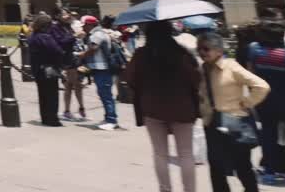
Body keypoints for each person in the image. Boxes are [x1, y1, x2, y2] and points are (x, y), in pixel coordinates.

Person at [123, 21, 201, 192]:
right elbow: (196, 80)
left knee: (160, 154)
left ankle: (165, 189)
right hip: (182, 107)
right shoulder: (182, 54)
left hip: (152, 107)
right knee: (186, 154)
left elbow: (130, 78)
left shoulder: (141, 54)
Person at [198, 30, 269, 192]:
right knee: (216, 168)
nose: (202, 52)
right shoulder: (203, 69)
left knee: (242, 167)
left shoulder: (231, 67)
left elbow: (262, 86)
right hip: (212, 124)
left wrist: (247, 102)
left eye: (206, 48)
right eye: (199, 49)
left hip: (235, 125)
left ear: (219, 50)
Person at [247, 22, 285, 186]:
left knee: (268, 136)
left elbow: (250, 75)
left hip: (264, 102)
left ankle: (269, 171)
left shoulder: (254, 49)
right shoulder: (284, 54)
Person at [82, 15, 123, 130]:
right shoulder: (99, 33)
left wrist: (82, 55)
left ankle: (112, 120)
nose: (84, 28)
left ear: (90, 25)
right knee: (104, 94)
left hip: (103, 68)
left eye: (85, 25)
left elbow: (93, 49)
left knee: (106, 94)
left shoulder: (97, 34)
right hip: (100, 68)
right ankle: (108, 117)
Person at [28, 13, 64, 127]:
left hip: (38, 68)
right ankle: (52, 119)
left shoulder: (33, 36)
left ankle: (45, 117)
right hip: (49, 68)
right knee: (52, 95)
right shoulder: (45, 37)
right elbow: (57, 51)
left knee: (42, 95)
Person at [54, 10, 87, 122]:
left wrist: (79, 36)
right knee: (70, 85)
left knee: (76, 84)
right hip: (66, 60)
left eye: (67, 14)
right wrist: (75, 36)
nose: (67, 16)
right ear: (57, 16)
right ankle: (68, 111)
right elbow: (60, 42)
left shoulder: (68, 26)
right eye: (64, 14)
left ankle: (79, 108)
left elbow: (73, 41)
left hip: (75, 58)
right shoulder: (55, 28)